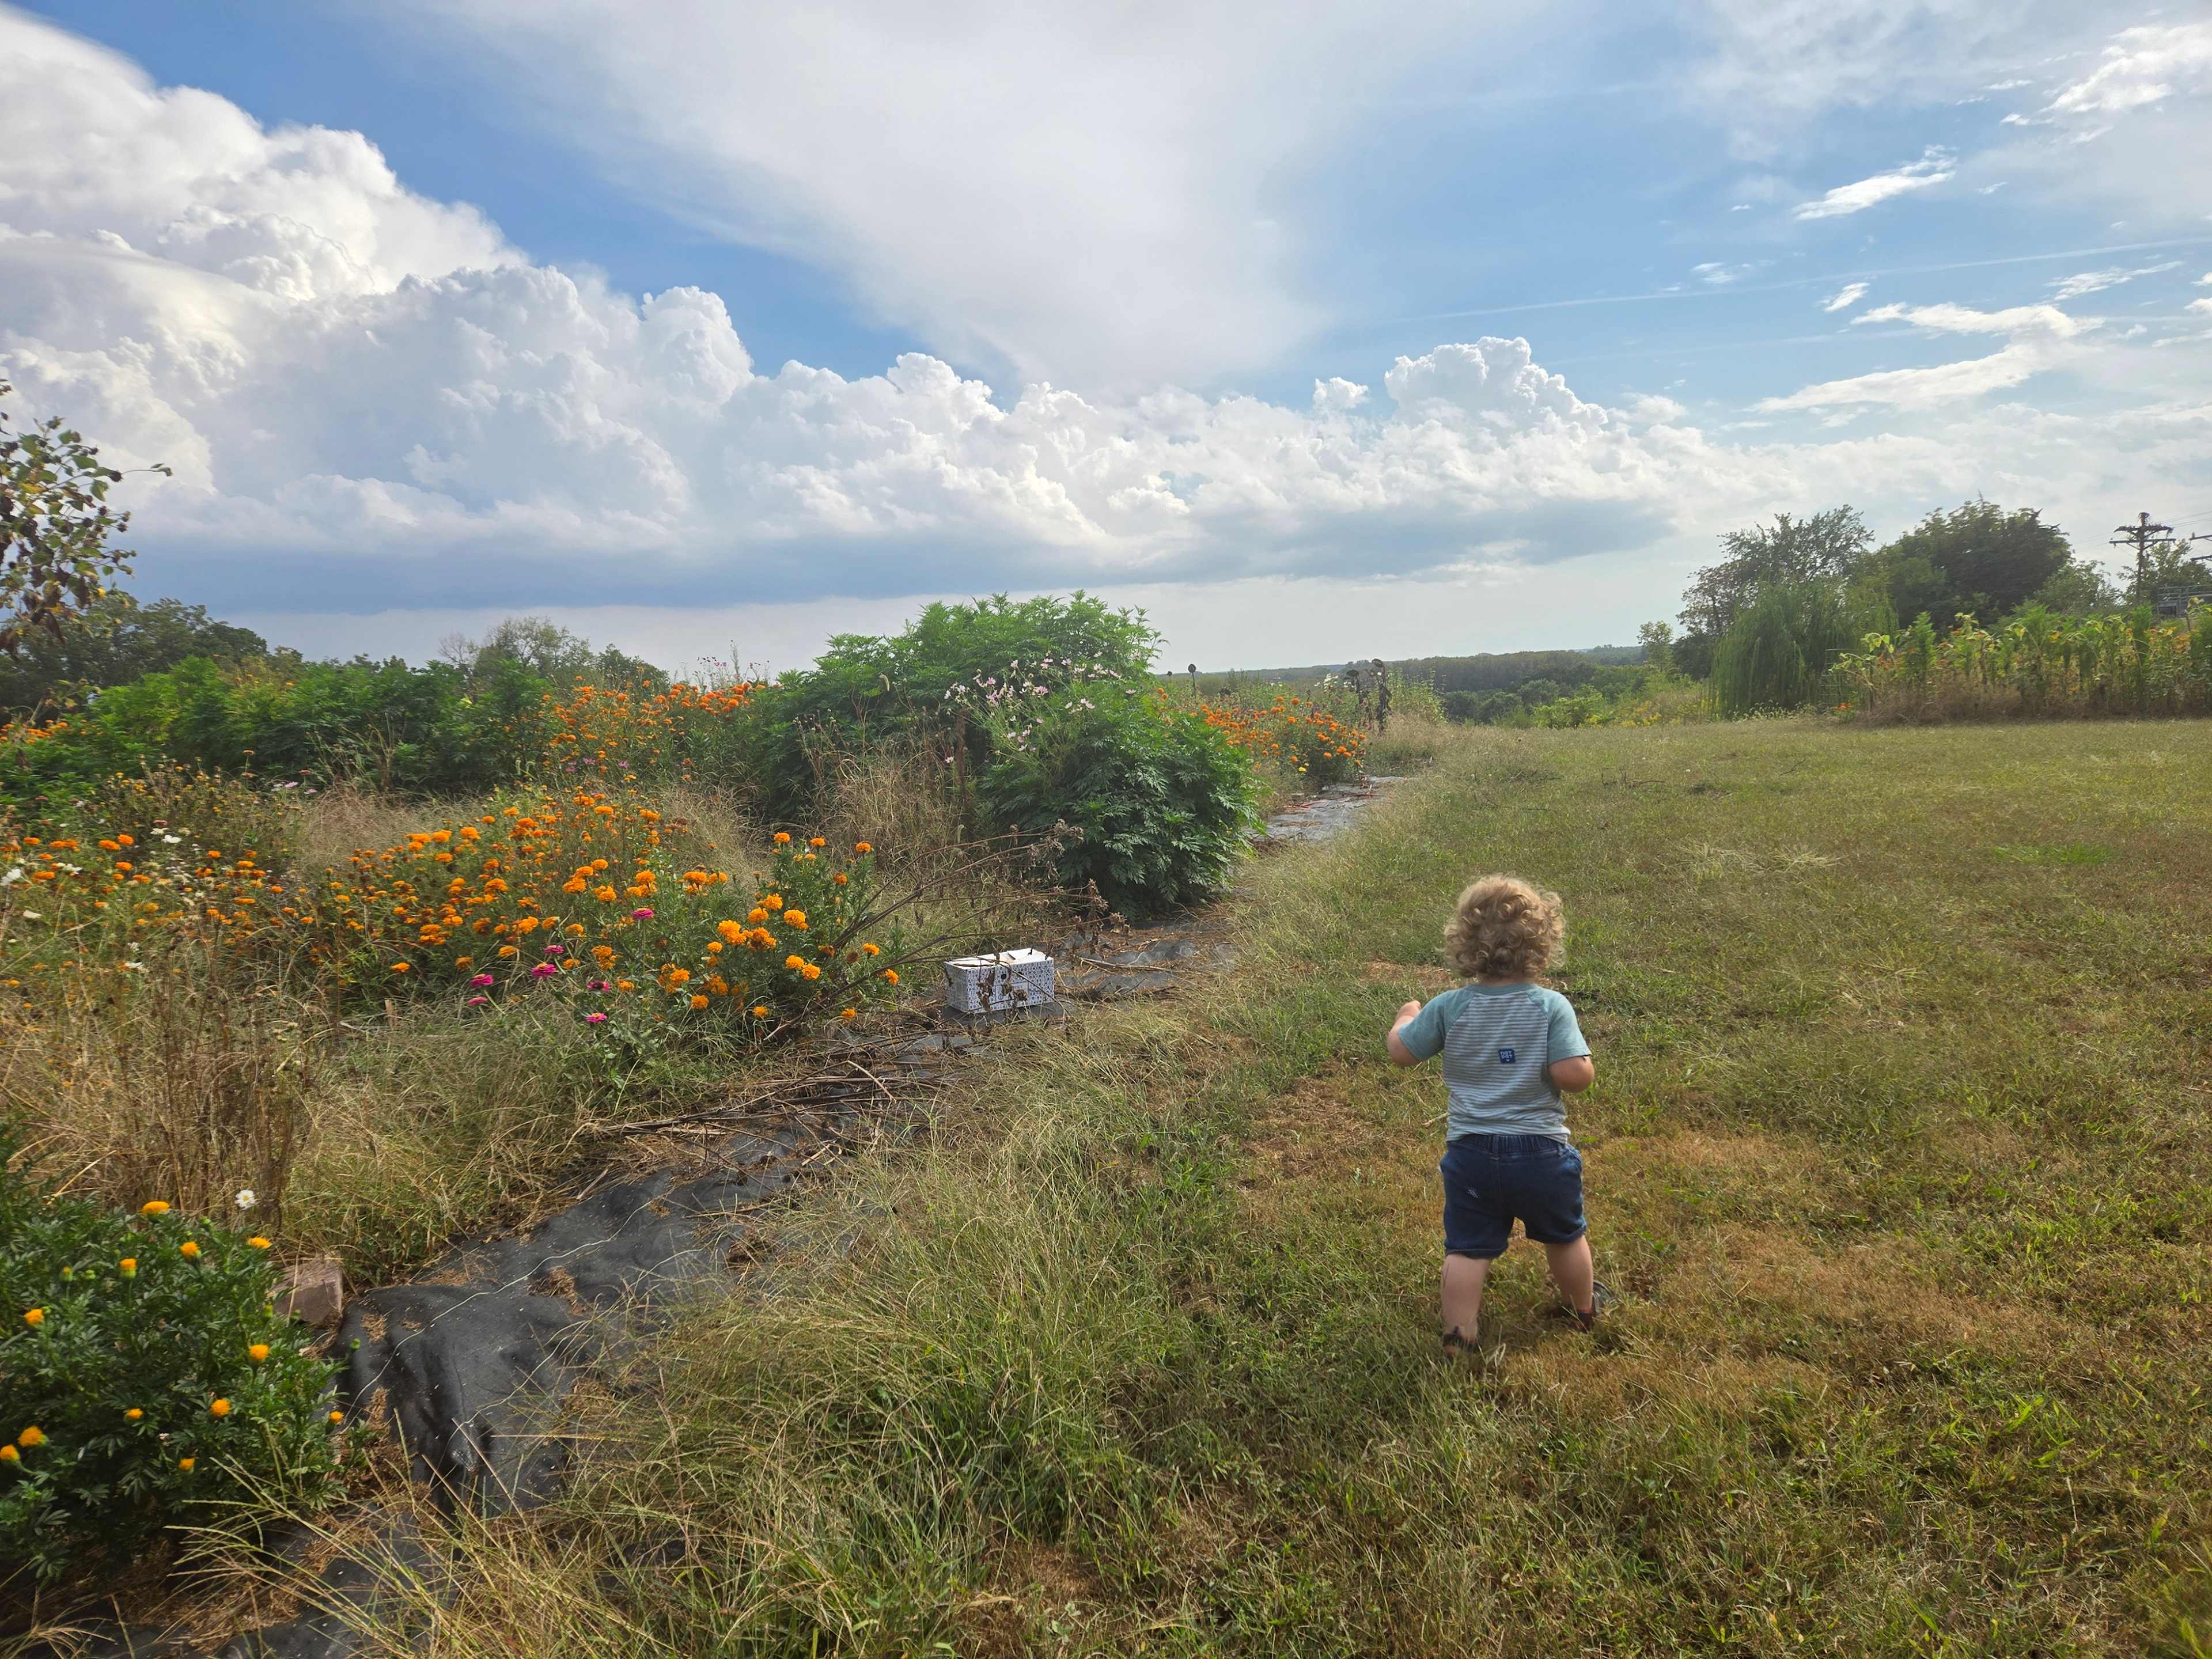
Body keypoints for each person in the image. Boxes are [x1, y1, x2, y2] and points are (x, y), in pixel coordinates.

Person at [1387, 874, 1612, 1349]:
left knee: (1467, 1249)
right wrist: (1577, 1063)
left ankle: (1459, 1335)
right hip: (1541, 1157)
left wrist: (1406, 1018)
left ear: (1464, 944)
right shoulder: (1551, 1007)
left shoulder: (1449, 1007)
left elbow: (1403, 1053)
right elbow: (1574, 1076)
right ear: (1543, 944)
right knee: (1565, 1236)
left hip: (1471, 1155)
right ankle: (1583, 1308)